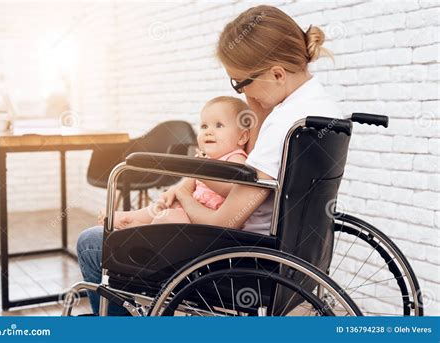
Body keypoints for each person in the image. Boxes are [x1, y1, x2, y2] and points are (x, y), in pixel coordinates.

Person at [76, 4, 341, 315]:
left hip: (236, 258)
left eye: (241, 83)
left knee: (92, 243)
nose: (242, 94)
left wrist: (186, 192)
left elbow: (225, 221)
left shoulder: (282, 125)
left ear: (277, 74)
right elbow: (254, 185)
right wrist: (255, 102)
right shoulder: (319, 107)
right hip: (287, 257)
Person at [97, 96, 250, 230]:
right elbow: (185, 186)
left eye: (219, 125)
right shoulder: (206, 159)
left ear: (242, 138)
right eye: (204, 126)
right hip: (190, 209)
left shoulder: (236, 158)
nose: (208, 131)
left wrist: (201, 171)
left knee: (167, 218)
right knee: (162, 206)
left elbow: (233, 189)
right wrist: (173, 191)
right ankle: (130, 216)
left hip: (204, 219)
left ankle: (142, 230)